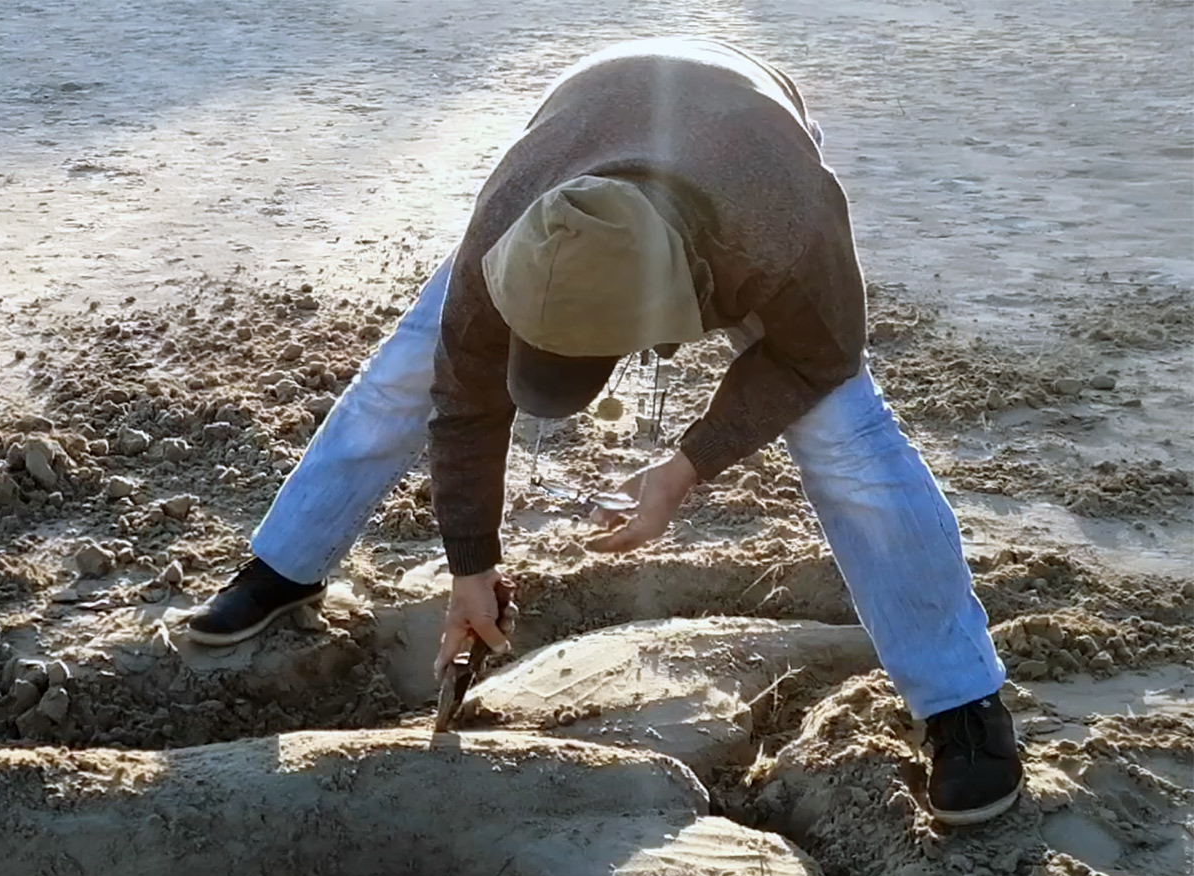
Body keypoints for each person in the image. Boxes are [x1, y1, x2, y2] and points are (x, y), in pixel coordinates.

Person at [186, 37, 1023, 825]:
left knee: (849, 442)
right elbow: (465, 400)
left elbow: (816, 357)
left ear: (669, 323)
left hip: (746, 136)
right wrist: (470, 568)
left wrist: (684, 468)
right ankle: (286, 564)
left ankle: (960, 701)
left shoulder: (784, 227)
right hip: (581, 121)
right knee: (406, 367)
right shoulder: (504, 235)